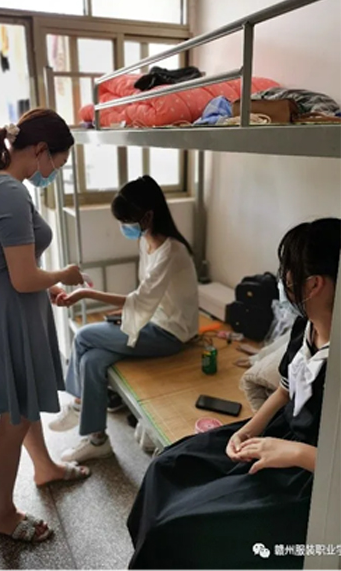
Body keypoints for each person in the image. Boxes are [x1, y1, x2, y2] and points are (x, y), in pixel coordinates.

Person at [126, 217, 339, 569]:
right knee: (167, 467)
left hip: (311, 475)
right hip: (279, 436)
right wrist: (249, 429)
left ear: (314, 284)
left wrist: (294, 452)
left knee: (178, 526)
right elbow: (285, 391)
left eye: (287, 273)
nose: (283, 281)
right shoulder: (305, 326)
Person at [0, 108, 91, 544]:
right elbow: (21, 277)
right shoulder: (9, 192)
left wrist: (47, 286)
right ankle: (2, 513)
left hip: (13, 304)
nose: (54, 171)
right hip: (12, 310)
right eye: (57, 162)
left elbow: (12, 265)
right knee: (14, 419)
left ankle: (45, 467)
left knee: (24, 405)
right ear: (40, 150)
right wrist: (64, 275)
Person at [49, 175, 199, 463]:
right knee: (92, 361)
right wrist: (126, 313)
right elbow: (148, 297)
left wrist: (84, 293)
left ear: (148, 216)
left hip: (170, 334)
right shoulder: (147, 241)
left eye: (127, 220)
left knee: (84, 336)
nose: (123, 227)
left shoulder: (172, 251)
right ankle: (97, 440)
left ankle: (78, 405)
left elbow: (140, 299)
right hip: (151, 321)